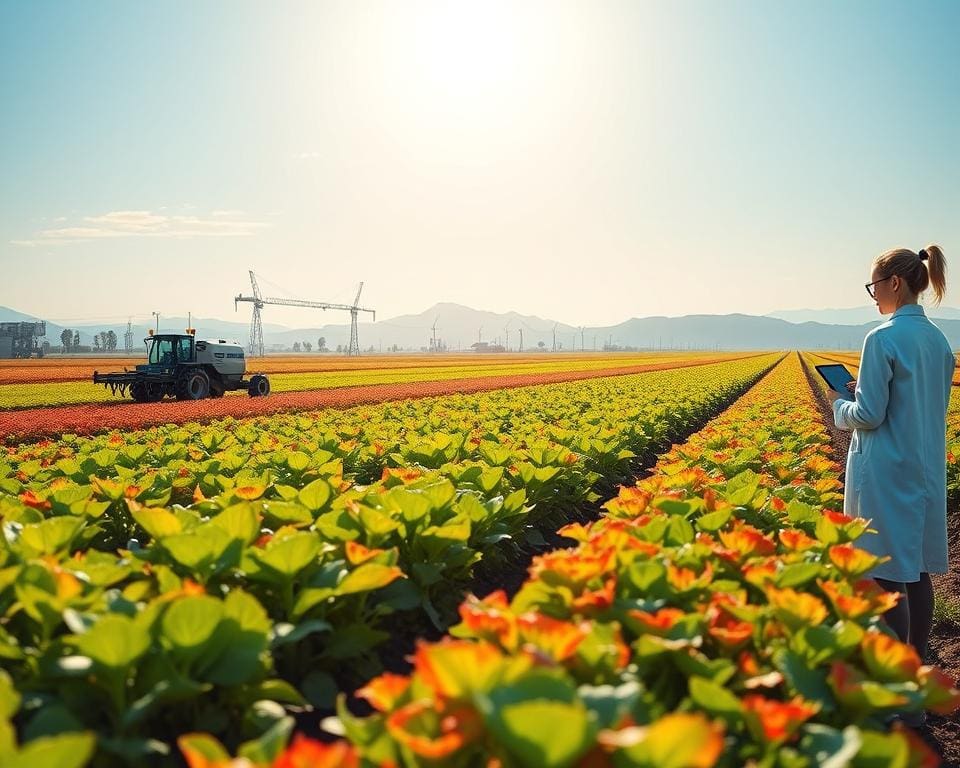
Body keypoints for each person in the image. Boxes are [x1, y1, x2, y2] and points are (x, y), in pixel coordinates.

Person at [826, 246, 951, 679]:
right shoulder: (939, 341)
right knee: (916, 571)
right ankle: (916, 667)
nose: (873, 295)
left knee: (883, 575)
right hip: (925, 468)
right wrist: (867, 388)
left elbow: (869, 415)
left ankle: (893, 678)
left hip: (885, 471)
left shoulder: (881, 337)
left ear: (894, 283)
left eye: (873, 285)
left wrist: (842, 404)